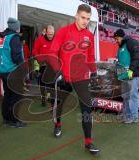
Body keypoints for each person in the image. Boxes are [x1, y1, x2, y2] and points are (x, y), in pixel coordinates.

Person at [45, 4, 100, 155]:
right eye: (83, 17)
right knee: (60, 103)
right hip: (65, 76)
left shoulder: (89, 35)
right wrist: (59, 71)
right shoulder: (63, 32)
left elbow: (90, 56)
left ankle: (88, 142)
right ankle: (57, 124)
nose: (85, 21)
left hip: (81, 77)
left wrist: (94, 72)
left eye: (88, 19)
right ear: (76, 15)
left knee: (86, 108)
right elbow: (52, 52)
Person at [0, 17, 26, 128]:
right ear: (16, 27)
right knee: (16, 96)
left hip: (2, 70)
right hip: (12, 72)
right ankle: (14, 120)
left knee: (8, 95)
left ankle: (6, 118)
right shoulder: (14, 38)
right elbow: (17, 56)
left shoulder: (2, 37)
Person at [114, 29, 139, 124]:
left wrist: (131, 69)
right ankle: (126, 116)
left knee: (132, 96)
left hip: (133, 74)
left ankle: (134, 117)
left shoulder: (131, 42)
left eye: (117, 38)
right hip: (124, 76)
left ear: (121, 37)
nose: (116, 41)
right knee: (126, 96)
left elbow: (137, 56)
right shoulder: (120, 48)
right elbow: (120, 62)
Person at [33, 25, 55, 107]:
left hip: (52, 66)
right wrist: (40, 59)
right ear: (46, 32)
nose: (50, 36)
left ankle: (52, 101)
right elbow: (35, 51)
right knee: (42, 83)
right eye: (49, 34)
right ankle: (43, 97)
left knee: (51, 84)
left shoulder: (56, 40)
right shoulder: (40, 40)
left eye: (52, 34)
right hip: (42, 65)